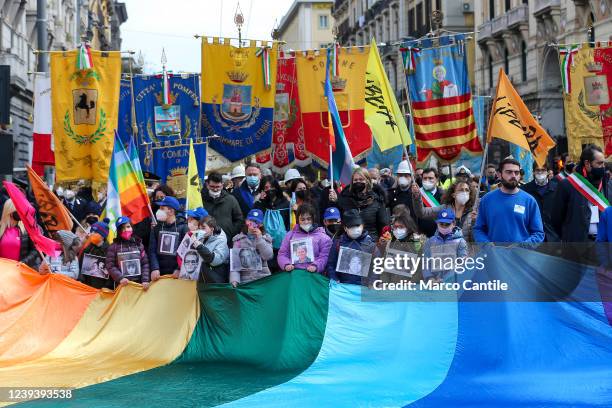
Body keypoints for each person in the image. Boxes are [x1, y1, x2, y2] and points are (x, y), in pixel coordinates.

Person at [473, 158, 544, 243]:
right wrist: (487, 246)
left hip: (521, 254)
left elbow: (538, 233)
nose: (513, 175)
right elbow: (478, 230)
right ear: (499, 174)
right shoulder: (487, 200)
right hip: (494, 254)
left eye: (516, 173)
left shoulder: (529, 201)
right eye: (509, 172)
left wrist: (523, 247)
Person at [551, 145, 611, 242]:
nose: (603, 167)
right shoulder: (567, 184)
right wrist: (570, 238)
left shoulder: (607, 183)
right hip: (576, 248)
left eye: (604, 163)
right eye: (599, 163)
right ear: (587, 163)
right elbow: (556, 219)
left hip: (604, 245)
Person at [411, 180, 478, 241]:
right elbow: (422, 213)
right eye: (461, 190)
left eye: (467, 190)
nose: (464, 192)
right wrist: (417, 197)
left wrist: (474, 222)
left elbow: (474, 239)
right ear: (453, 194)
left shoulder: (473, 212)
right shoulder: (444, 209)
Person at [326, 209, 380, 285]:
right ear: (345, 228)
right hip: (343, 288)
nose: (355, 229)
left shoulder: (371, 245)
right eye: (351, 226)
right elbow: (331, 264)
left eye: (357, 225)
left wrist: (372, 282)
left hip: (364, 289)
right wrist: (334, 278)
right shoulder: (338, 243)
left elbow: (377, 267)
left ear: (362, 226)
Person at [336, 167, 388, 241]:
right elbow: (340, 223)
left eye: (361, 179)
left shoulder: (377, 201)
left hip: (370, 243)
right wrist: (333, 202)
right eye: (355, 180)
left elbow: (383, 225)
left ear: (367, 181)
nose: (358, 182)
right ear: (352, 182)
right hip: (349, 244)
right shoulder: (344, 199)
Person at [277, 203, 332, 273]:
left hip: (314, 275)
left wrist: (316, 266)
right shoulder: (290, 235)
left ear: (313, 219)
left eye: (309, 219)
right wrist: (286, 264)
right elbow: (282, 254)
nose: (306, 222)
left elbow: (324, 256)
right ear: (298, 220)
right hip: (294, 274)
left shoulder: (323, 238)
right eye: (302, 219)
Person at [422, 208, 468, 282]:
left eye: (447, 224)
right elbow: (426, 262)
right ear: (437, 223)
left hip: (452, 284)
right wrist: (429, 278)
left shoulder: (460, 242)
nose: (444, 226)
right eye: (441, 224)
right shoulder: (430, 241)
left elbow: (462, 264)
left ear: (453, 223)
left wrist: (445, 280)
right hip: (433, 284)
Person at [230, 209, 274, 286]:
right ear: (246, 221)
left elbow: (268, 256)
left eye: (256, 222)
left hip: (263, 279)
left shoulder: (266, 238)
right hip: (245, 281)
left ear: (261, 224)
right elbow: (235, 264)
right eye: (251, 220)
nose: (253, 224)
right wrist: (234, 281)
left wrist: (260, 238)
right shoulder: (238, 240)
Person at [149, 196, 188, 280]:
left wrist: (179, 268)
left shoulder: (184, 228)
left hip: (176, 274)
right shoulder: (156, 228)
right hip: (159, 274)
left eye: (162, 208)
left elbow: (186, 251)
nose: (159, 211)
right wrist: (155, 268)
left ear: (171, 211)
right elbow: (152, 250)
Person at [107, 216, 150, 288]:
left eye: (128, 226)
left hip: (139, 285)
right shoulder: (113, 247)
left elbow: (145, 263)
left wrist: (145, 280)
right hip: (122, 286)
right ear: (118, 231)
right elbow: (110, 265)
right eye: (122, 228)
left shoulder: (139, 244)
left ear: (132, 227)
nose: (126, 230)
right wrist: (120, 278)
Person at [202, 171, 244, 242]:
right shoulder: (200, 200)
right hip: (204, 239)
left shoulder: (231, 199)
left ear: (222, 185)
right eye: (212, 186)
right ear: (207, 185)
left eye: (218, 187)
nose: (215, 189)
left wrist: (231, 233)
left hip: (226, 240)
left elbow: (239, 219)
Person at [521, 162, 558, 241]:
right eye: (537, 170)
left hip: (553, 236)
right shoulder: (525, 189)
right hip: (532, 237)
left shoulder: (557, 188)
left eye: (543, 170)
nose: (540, 173)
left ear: (548, 172)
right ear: (533, 172)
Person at [0, 199, 40, 268]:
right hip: (3, 273)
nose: (20, 212)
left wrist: (23, 263)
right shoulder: (1, 229)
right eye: (17, 210)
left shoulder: (27, 229)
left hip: (20, 273)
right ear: (10, 211)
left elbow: (36, 250)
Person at [191, 212, 229, 283]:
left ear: (212, 229)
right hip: (201, 278)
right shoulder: (202, 236)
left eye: (203, 228)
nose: (201, 231)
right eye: (199, 228)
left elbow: (215, 261)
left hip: (215, 280)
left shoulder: (221, 240)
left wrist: (200, 247)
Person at [79, 218, 112, 289]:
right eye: (91, 231)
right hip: (87, 286)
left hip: (102, 288)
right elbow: (81, 266)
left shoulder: (109, 251)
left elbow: (111, 270)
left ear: (103, 236)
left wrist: (107, 287)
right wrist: (81, 280)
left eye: (95, 232)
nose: (91, 234)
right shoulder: (88, 249)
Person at [414, 167, 444, 237]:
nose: (427, 180)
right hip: (421, 236)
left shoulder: (444, 196)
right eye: (425, 178)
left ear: (436, 179)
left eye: (430, 178)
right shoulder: (417, 194)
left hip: (440, 235)